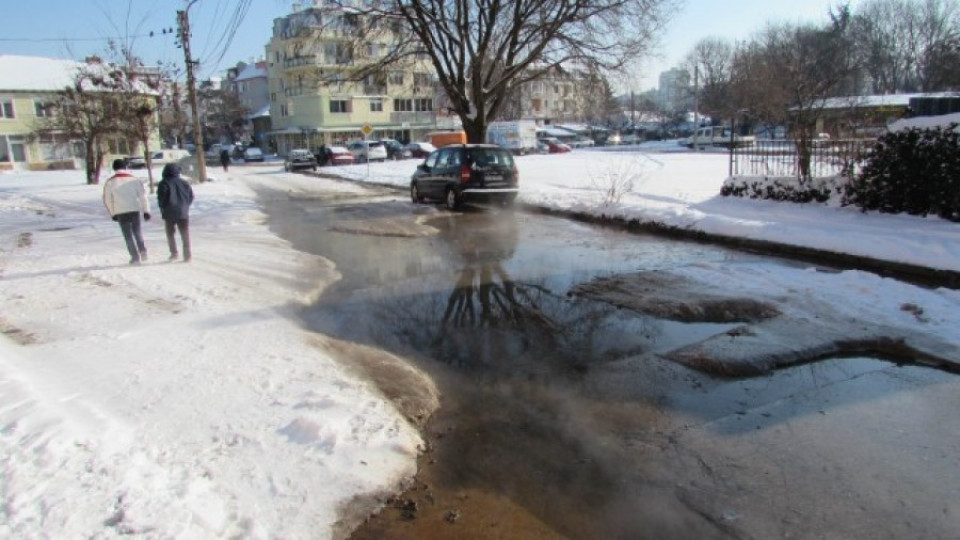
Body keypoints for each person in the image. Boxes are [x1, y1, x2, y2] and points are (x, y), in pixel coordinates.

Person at [103, 158, 151, 265]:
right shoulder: (134, 179)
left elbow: (107, 199)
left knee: (128, 235)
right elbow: (143, 196)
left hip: (121, 211)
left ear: (114, 168)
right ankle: (142, 250)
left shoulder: (110, 182)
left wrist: (113, 213)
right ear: (125, 167)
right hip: (134, 209)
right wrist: (146, 210)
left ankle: (134, 257)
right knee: (137, 232)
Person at [157, 163, 194, 262]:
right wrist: (186, 205)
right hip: (183, 211)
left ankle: (174, 253)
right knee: (185, 233)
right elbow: (190, 196)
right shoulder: (184, 183)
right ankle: (187, 255)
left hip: (169, 212)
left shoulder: (164, 183)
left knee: (170, 234)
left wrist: (163, 207)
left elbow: (161, 198)